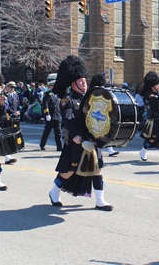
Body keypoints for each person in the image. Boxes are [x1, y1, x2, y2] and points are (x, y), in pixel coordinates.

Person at [48, 55, 113, 211]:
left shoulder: (91, 98)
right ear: (73, 83)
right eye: (81, 82)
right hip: (77, 142)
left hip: (92, 141)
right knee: (69, 171)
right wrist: (77, 137)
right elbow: (68, 119)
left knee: (97, 170)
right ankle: (54, 192)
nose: (84, 84)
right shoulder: (67, 100)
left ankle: (100, 201)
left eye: (85, 81)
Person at [89, 73, 120, 157]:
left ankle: (110, 150)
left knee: (107, 132)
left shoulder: (103, 92)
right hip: (94, 118)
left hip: (102, 116)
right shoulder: (91, 93)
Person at [40, 81, 62, 151]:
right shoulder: (47, 94)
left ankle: (59, 147)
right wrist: (47, 114)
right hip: (50, 116)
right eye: (52, 86)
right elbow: (45, 105)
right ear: (49, 87)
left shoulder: (59, 95)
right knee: (47, 132)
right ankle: (42, 145)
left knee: (58, 133)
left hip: (57, 116)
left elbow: (60, 105)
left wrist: (61, 114)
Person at [3, 81, 19, 164]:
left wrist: (18, 111)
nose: (12, 89)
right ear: (7, 87)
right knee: (7, 136)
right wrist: (13, 112)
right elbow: (6, 107)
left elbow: (18, 105)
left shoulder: (16, 95)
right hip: (7, 117)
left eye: (13, 87)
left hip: (14, 117)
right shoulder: (5, 95)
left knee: (12, 135)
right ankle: (7, 156)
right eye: (11, 87)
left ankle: (8, 155)